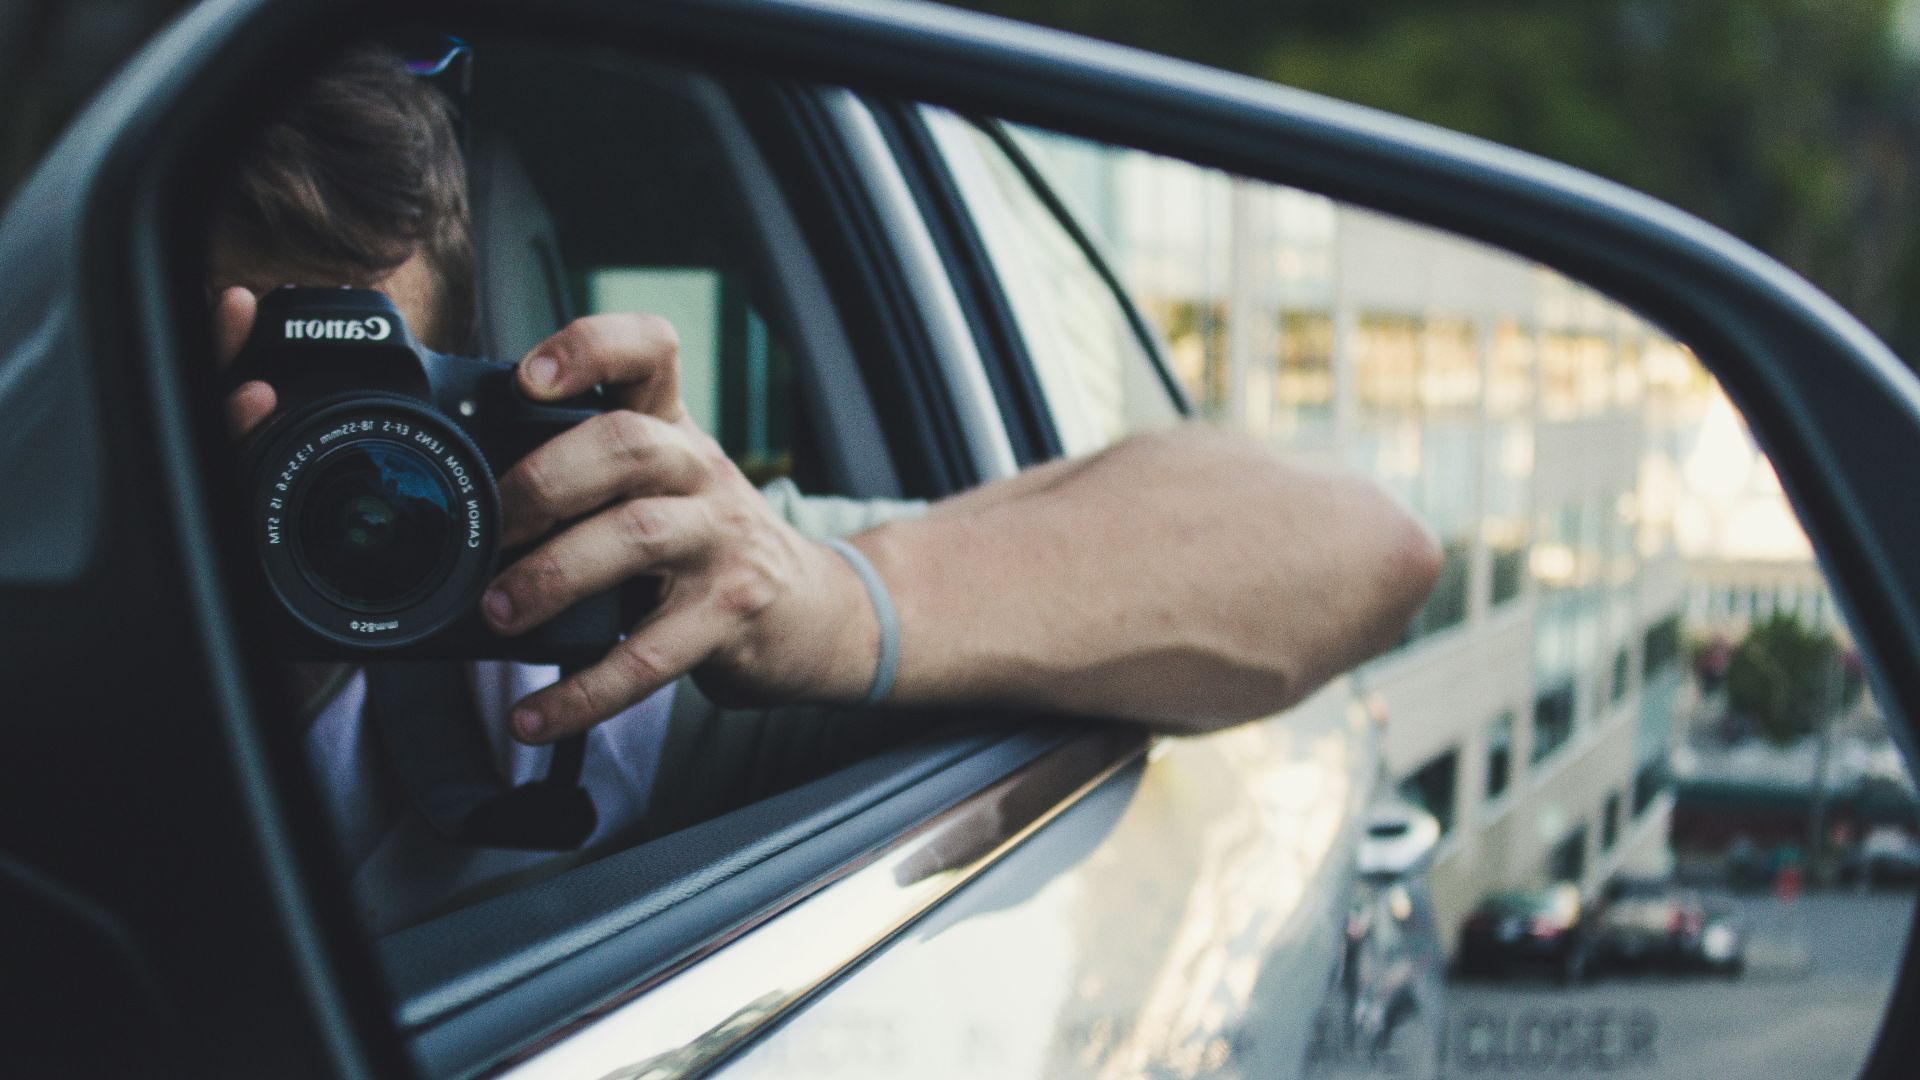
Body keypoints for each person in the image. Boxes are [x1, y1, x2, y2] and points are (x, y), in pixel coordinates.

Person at [211, 46, 1440, 929]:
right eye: (174, 401)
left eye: (352, 426)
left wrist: (837, 604)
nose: (312, 494)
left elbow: (1358, 544)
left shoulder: (583, 639)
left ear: (458, 403)